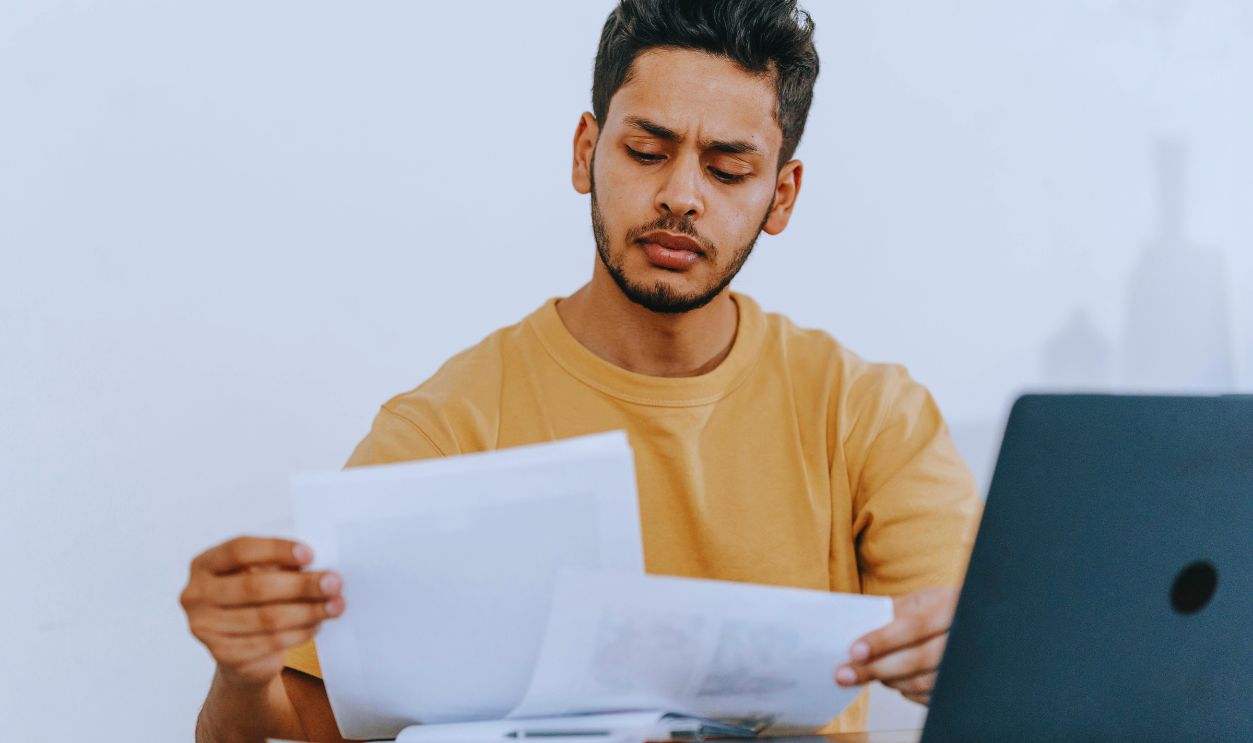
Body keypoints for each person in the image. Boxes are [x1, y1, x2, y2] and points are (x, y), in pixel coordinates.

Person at [179, 1, 981, 740]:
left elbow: (993, 670)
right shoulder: (452, 422)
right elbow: (297, 722)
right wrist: (238, 671)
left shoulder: (868, 414)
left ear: (781, 196)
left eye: (728, 169)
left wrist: (964, 653)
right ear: (585, 151)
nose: (680, 196)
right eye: (645, 150)